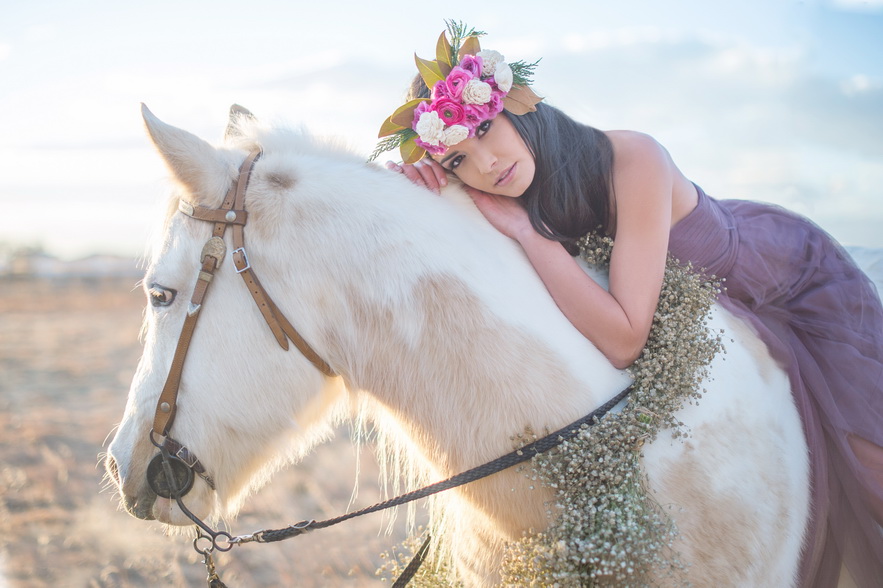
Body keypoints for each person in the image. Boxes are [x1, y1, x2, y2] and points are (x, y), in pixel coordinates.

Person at [374, 23, 883, 587]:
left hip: (787, 281)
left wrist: (529, 235)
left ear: (518, 105)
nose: (486, 164)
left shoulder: (632, 157)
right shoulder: (502, 186)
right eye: (458, 162)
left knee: (868, 469)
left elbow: (623, 340)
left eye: (486, 128)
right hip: (688, 300)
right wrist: (431, 194)